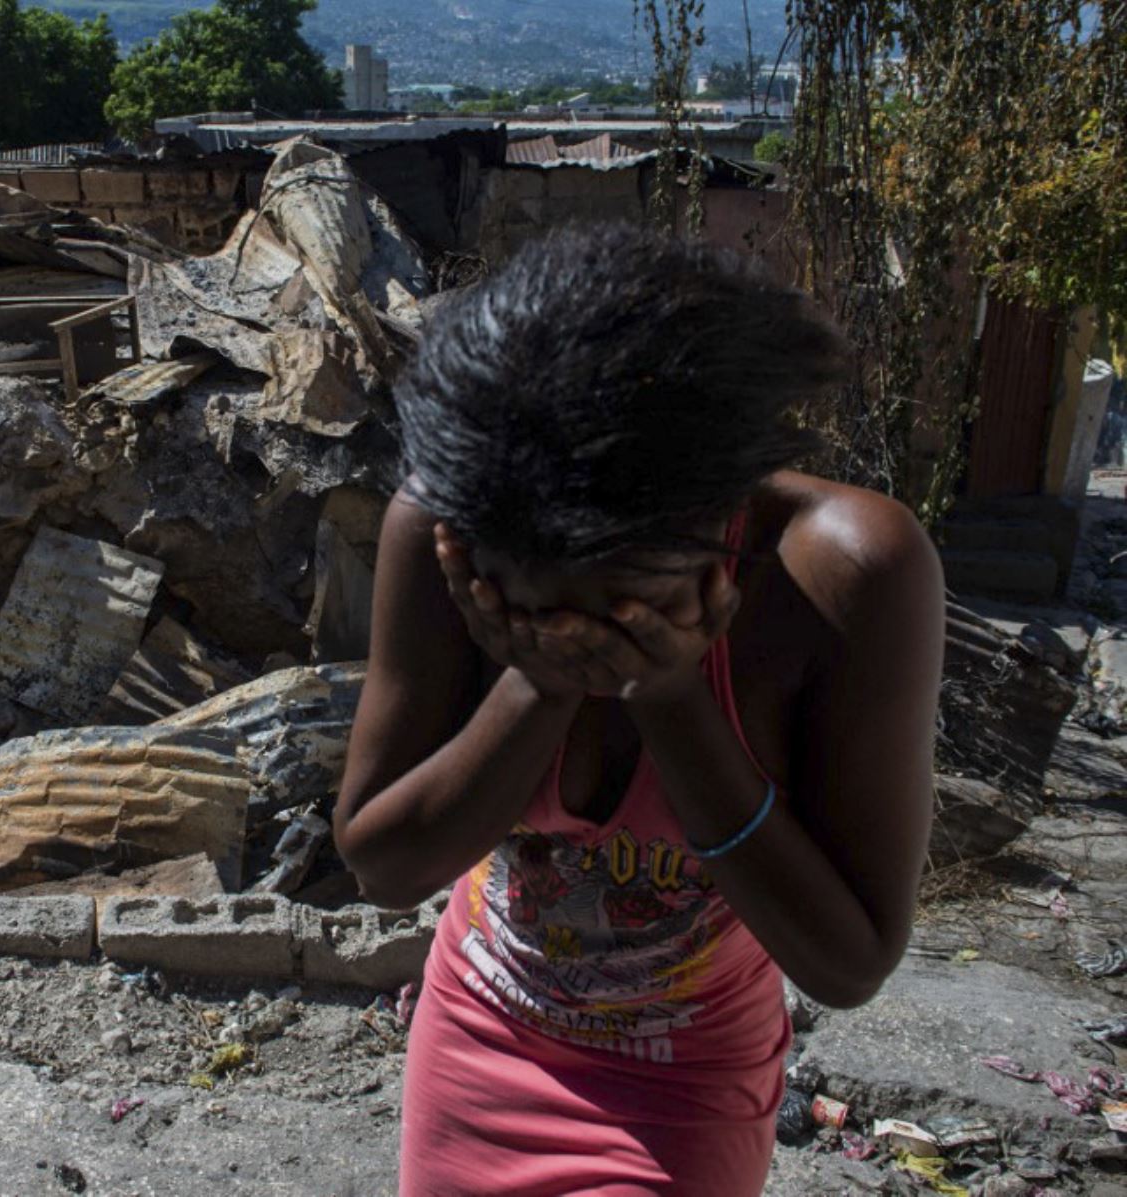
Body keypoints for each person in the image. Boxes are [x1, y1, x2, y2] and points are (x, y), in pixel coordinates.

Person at [332, 224, 945, 1196]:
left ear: (713, 519)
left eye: (614, 601)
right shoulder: (450, 522)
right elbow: (382, 863)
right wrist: (542, 680)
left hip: (686, 1082)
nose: (569, 629)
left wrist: (667, 690)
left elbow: (848, 964)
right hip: (477, 1032)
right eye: (529, 607)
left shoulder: (847, 572)